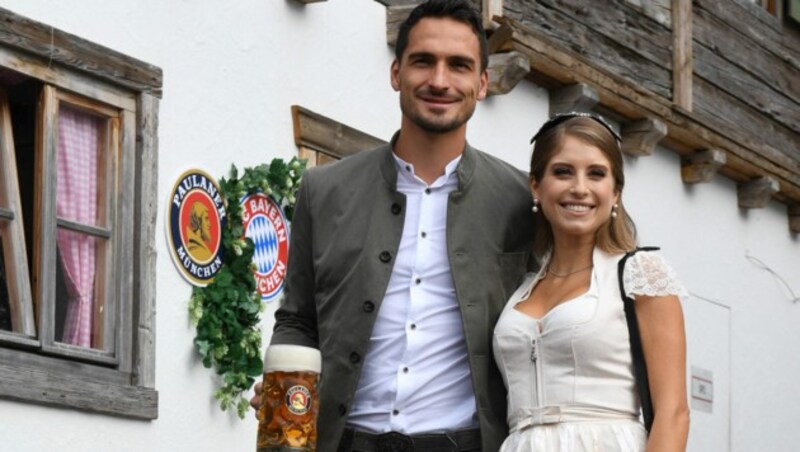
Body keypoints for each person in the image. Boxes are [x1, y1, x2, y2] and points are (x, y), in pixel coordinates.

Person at [255, 1, 536, 450]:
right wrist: (287, 383)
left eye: (459, 66)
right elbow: (297, 319)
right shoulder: (323, 190)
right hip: (344, 442)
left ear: (482, 83)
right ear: (395, 73)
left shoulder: (523, 201)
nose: (439, 80)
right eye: (423, 61)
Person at [492, 113, 690, 451]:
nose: (579, 188)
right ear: (536, 186)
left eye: (596, 174)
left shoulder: (640, 273)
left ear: (615, 191)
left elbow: (674, 413)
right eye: (563, 171)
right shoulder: (520, 286)